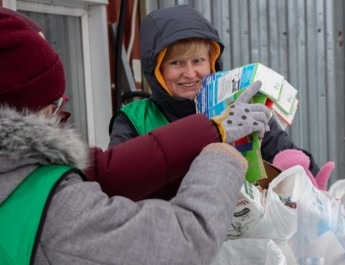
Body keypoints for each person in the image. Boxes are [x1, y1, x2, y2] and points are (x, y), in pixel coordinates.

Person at [0, 11, 254, 264]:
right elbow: (182, 244)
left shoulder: (16, 173)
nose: (190, 73)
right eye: (54, 103)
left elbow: (100, 171)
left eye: (198, 61)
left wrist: (212, 129)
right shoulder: (52, 207)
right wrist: (219, 158)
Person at [109, 4, 320, 185]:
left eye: (198, 61)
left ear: (212, 62)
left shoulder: (239, 106)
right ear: (156, 70)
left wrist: (297, 167)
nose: (190, 73)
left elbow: (284, 153)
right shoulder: (134, 121)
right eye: (176, 63)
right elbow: (118, 180)